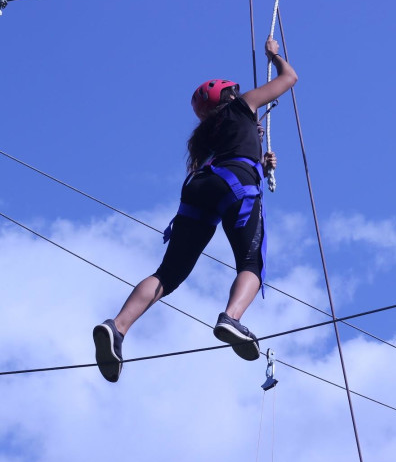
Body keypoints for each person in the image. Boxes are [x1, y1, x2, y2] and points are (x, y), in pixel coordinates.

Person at [92, 37, 298, 383]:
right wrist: (275, 57)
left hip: (199, 188)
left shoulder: (206, 136)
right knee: (251, 264)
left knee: (168, 273)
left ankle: (117, 327)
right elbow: (289, 79)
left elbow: (234, 151)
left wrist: (260, 162)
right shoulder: (243, 106)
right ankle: (231, 318)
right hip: (236, 183)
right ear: (231, 97)